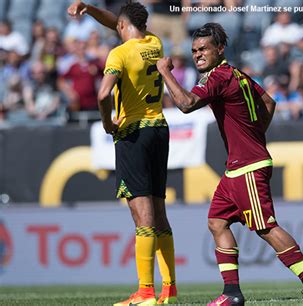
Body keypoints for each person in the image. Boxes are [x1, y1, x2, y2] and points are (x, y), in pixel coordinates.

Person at [157, 23, 303, 306]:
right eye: (194, 51)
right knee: (217, 221)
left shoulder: (218, 77)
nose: (198, 55)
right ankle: (232, 293)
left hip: (247, 166)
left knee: (265, 227)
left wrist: (165, 71)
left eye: (204, 49)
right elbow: (269, 102)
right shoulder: (236, 74)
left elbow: (186, 103)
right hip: (237, 167)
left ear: (220, 49)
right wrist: (255, 134)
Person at [67, 1, 177, 305]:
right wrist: (89, 9)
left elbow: (103, 94)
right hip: (160, 130)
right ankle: (169, 288)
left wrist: (106, 122)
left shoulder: (119, 54)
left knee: (142, 217)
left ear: (121, 26)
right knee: (159, 214)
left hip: (133, 134)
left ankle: (145, 292)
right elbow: (121, 23)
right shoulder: (154, 43)